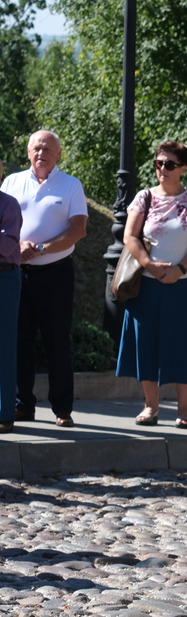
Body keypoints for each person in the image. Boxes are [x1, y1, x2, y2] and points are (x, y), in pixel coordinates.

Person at [115, 142, 187, 428]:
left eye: (169, 164)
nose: (162, 169)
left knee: (183, 343)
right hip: (147, 284)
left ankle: (184, 409)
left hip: (184, 284)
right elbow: (130, 237)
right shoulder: (143, 198)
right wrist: (150, 265)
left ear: (183, 168)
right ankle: (150, 407)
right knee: (146, 343)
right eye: (159, 163)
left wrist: (180, 270)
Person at [2, 131, 88, 428]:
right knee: (18, 341)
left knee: (56, 342)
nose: (41, 153)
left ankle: (62, 409)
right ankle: (22, 405)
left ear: (59, 154)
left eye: (48, 149)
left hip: (55, 273)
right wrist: (18, 247)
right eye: (37, 148)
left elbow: (78, 229)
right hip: (15, 273)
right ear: (28, 152)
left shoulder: (71, 185)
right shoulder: (11, 182)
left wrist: (40, 248)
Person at [0, 187, 21, 433]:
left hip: (4, 278)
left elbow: (5, 245)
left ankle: (4, 414)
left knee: (3, 347)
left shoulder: (8, 204)